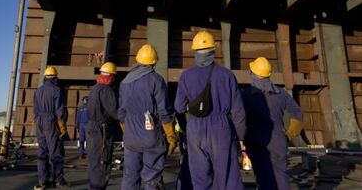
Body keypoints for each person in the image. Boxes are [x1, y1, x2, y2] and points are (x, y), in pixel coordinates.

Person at [175, 31, 246, 190]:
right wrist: (241, 137)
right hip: (221, 129)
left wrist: (191, 115)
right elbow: (238, 111)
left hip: (195, 129)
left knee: (199, 178)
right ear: (213, 51)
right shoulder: (227, 75)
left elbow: (179, 107)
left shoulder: (186, 76)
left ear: (195, 52)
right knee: (227, 177)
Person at [119, 44, 177, 190]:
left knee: (130, 177)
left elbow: (122, 113)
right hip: (150, 137)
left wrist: (127, 131)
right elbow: (164, 111)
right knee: (151, 178)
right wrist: (171, 136)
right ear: (153, 62)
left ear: (137, 60)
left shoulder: (125, 82)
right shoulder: (156, 80)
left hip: (131, 139)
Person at [242, 57, 303, 190]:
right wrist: (289, 134)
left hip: (256, 141)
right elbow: (297, 114)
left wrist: (241, 138)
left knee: (264, 177)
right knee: (281, 176)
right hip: (278, 140)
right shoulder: (281, 93)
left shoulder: (246, 95)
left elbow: (239, 118)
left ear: (253, 74)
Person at [33, 66, 68, 189]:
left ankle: (43, 180)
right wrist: (62, 125)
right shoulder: (57, 90)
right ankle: (57, 179)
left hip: (40, 122)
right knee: (55, 151)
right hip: (51, 121)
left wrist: (38, 121)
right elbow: (60, 110)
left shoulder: (38, 91)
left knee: (42, 152)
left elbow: (36, 110)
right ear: (55, 77)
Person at [86, 61, 119, 190]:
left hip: (92, 127)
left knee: (94, 160)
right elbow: (114, 111)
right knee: (102, 161)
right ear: (111, 76)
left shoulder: (95, 88)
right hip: (102, 130)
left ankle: (93, 186)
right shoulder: (106, 90)